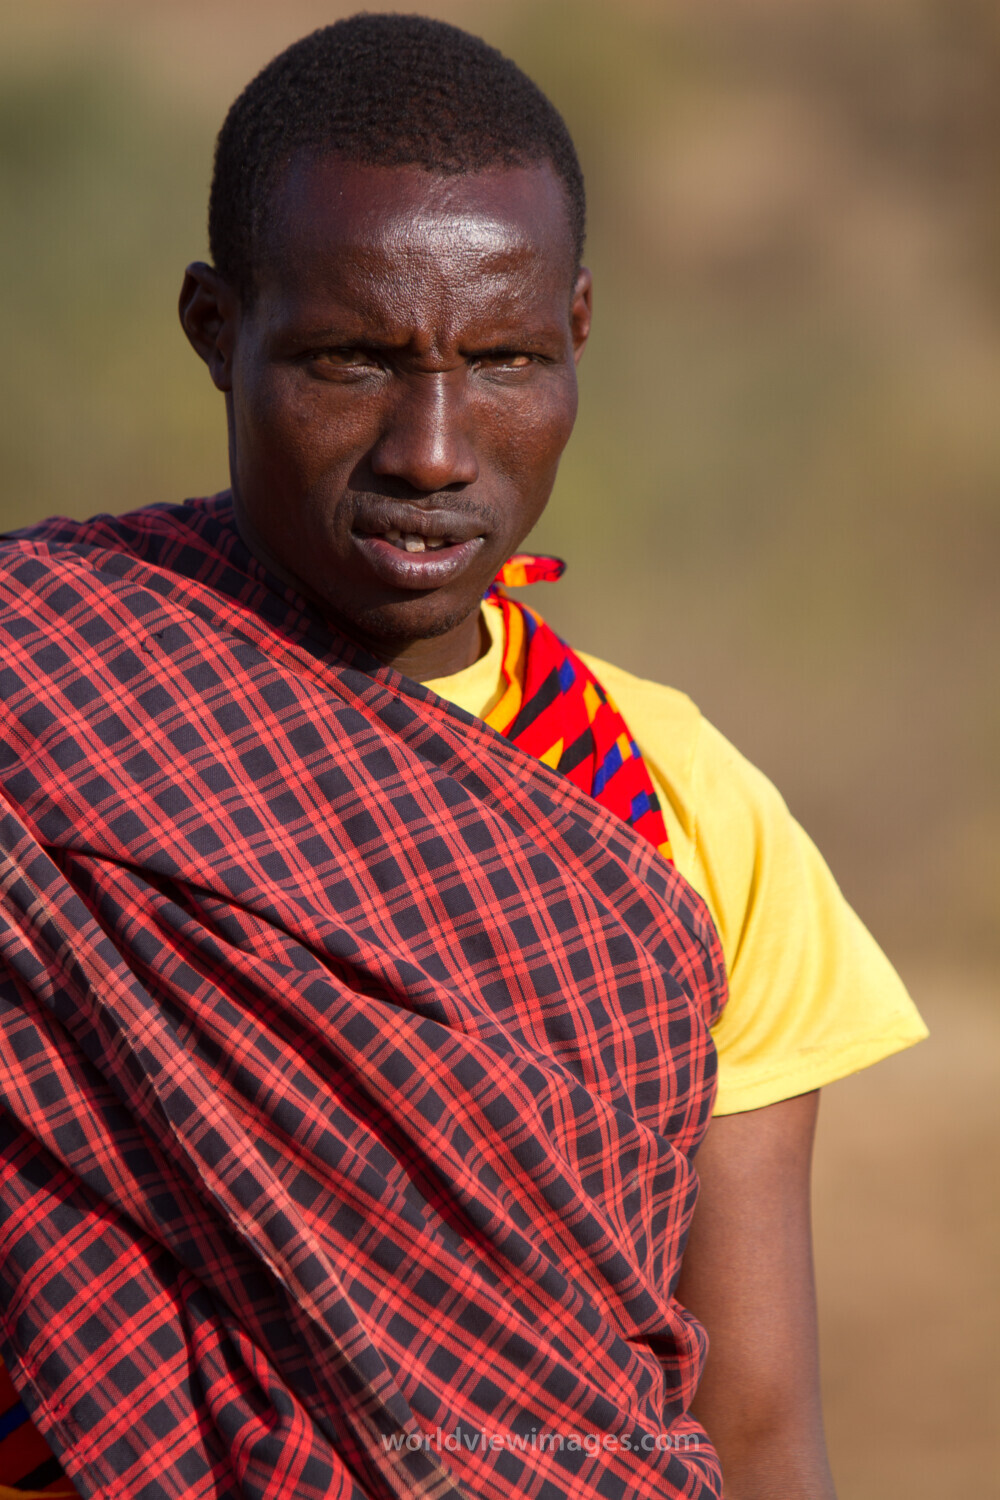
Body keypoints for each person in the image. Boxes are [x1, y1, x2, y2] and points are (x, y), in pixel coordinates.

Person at [0, 15, 927, 1500]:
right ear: (212, 329)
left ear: (578, 332)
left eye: (502, 359)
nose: (433, 447)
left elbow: (753, 1429)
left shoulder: (686, 807)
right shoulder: (38, 702)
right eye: (350, 360)